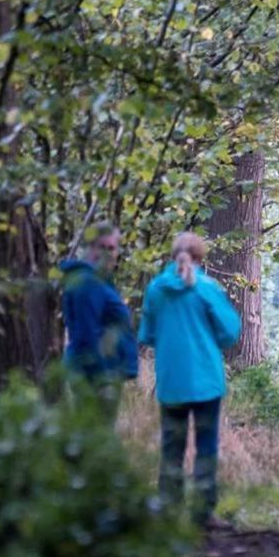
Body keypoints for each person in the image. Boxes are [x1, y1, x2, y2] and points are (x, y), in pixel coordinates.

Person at [138, 232, 242, 528]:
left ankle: (169, 511)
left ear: (173, 256)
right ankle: (202, 514)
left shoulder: (156, 289)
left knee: (172, 446)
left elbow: (147, 334)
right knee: (205, 446)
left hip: (171, 380)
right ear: (200, 258)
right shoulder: (207, 288)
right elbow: (230, 332)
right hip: (206, 379)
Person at [59, 222, 138, 422]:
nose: (107, 253)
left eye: (112, 248)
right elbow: (86, 335)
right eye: (101, 247)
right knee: (93, 439)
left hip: (105, 374)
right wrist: (102, 380)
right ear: (89, 248)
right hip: (94, 377)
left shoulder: (100, 281)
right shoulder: (87, 282)